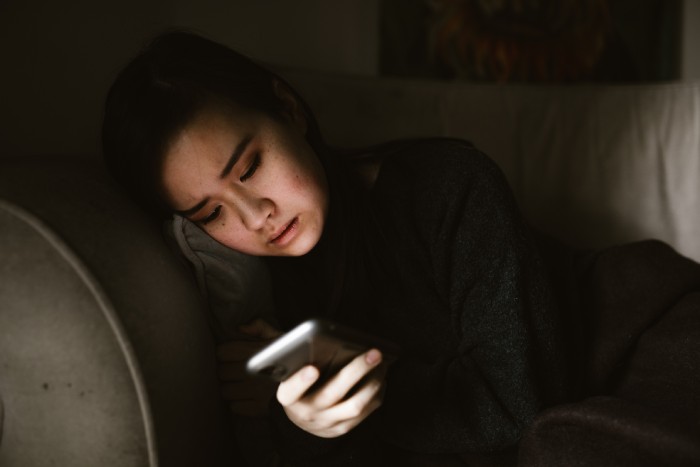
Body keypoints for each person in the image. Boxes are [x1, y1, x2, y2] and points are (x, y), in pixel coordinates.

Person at [102, 31, 700, 467]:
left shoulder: (447, 182)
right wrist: (309, 418)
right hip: (565, 412)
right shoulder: (269, 301)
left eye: (251, 167)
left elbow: (518, 401)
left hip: (651, 332)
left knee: (565, 451)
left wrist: (369, 390)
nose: (256, 216)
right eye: (210, 213)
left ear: (288, 110)